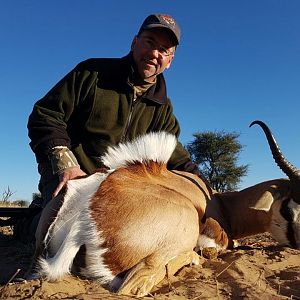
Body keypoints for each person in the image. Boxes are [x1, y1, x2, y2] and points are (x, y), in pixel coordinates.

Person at [22, 14, 200, 242]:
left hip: (118, 188)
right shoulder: (91, 73)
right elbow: (45, 116)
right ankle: (30, 223)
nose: (155, 54)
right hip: (74, 174)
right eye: (150, 43)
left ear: (170, 60)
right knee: (71, 235)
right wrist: (66, 164)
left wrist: (206, 188)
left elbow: (175, 156)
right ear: (135, 42)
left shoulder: (162, 108)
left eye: (164, 50)